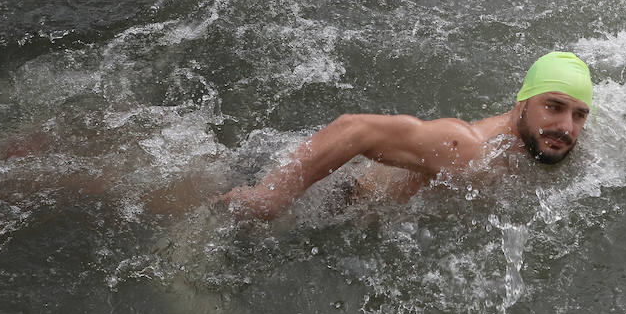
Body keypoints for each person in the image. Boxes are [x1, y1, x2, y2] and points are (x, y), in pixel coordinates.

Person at [220, 51, 595, 220]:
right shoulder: (467, 146)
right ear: (521, 104)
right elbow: (356, 128)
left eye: (579, 115)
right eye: (554, 106)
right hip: (337, 202)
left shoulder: (557, 141)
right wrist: (268, 199)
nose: (566, 126)